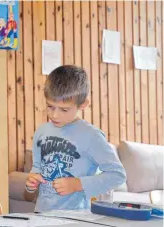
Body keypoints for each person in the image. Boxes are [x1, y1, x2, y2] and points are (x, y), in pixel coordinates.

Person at [25, 65, 126, 212]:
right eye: (50, 106)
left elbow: (117, 175)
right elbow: (37, 169)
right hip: (40, 216)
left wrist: (77, 184)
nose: (54, 115)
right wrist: (31, 183)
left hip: (74, 220)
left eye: (64, 109)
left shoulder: (92, 136)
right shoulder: (41, 131)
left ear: (83, 104)